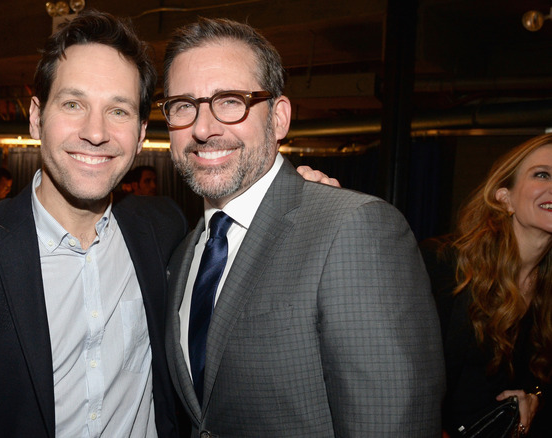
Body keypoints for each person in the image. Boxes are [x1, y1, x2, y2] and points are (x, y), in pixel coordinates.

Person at [0, 11, 189, 437]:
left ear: (142, 133)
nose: (95, 132)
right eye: (73, 104)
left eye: (119, 111)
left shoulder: (164, 226)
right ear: (36, 116)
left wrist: (307, 193)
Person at [160, 17, 446, 436]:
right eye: (184, 105)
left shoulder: (353, 228)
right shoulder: (186, 253)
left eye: (230, 101)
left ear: (278, 118)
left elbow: (392, 421)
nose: (203, 129)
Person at [421, 133, 552, 437]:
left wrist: (535, 398)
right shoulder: (444, 265)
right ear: (504, 197)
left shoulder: (546, 287)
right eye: (542, 174)